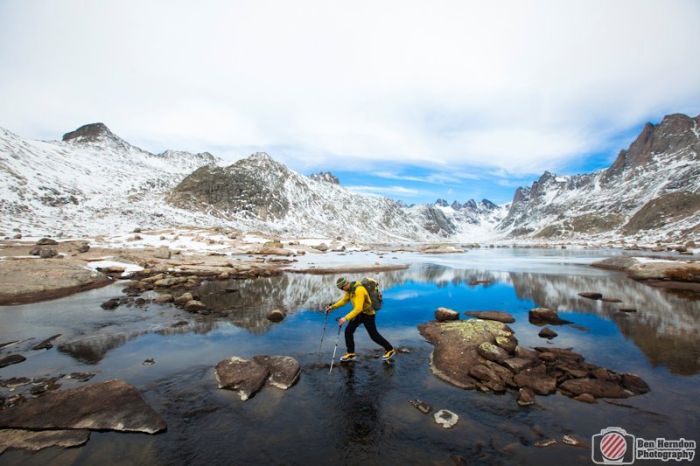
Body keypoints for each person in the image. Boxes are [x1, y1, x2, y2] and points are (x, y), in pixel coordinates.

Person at [325, 277, 395, 362]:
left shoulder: (359, 290)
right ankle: (351, 353)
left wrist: (345, 318)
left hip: (368, 314)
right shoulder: (349, 290)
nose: (342, 290)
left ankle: (390, 350)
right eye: (341, 289)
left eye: (342, 288)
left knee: (373, 335)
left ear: (345, 284)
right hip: (359, 313)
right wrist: (332, 307)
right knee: (348, 331)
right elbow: (344, 301)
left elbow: (358, 308)